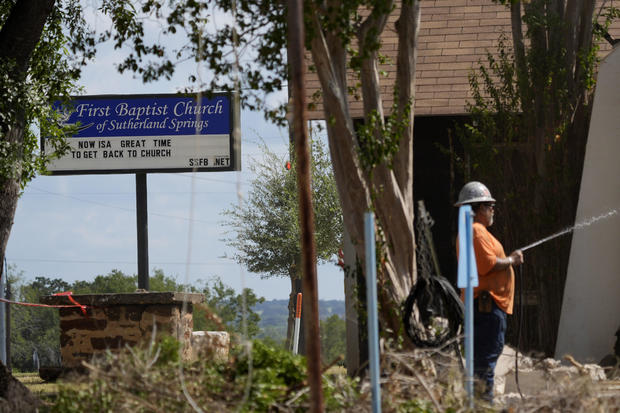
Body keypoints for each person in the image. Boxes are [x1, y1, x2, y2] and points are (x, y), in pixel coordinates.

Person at [455, 181, 524, 402]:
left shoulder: (473, 231)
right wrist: (512, 260)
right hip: (486, 308)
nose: (492, 209)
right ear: (476, 209)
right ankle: (484, 405)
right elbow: (488, 265)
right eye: (488, 205)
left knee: (482, 361)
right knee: (486, 361)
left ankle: (479, 404)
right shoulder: (476, 231)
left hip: (483, 308)